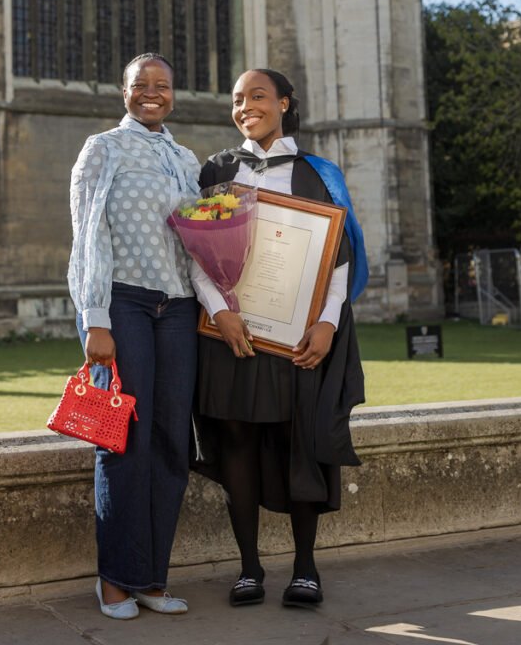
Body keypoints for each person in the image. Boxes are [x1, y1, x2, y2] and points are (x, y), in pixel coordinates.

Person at [190, 68, 367, 609]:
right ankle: (249, 568)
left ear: (285, 103)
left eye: (258, 96)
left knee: (300, 443)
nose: (246, 106)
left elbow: (339, 257)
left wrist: (328, 322)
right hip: (232, 336)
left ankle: (306, 568)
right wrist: (220, 311)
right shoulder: (217, 170)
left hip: (299, 339)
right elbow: (197, 252)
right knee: (237, 444)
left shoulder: (319, 174)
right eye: (238, 99)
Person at [67, 53, 201, 620]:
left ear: (173, 93)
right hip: (122, 302)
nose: (151, 93)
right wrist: (95, 316)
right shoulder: (103, 148)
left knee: (172, 441)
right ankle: (115, 579)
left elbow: (199, 238)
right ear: (123, 91)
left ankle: (151, 578)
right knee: (123, 439)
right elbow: (88, 236)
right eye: (140, 84)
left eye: (161, 85)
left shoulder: (186, 159)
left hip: (180, 308)